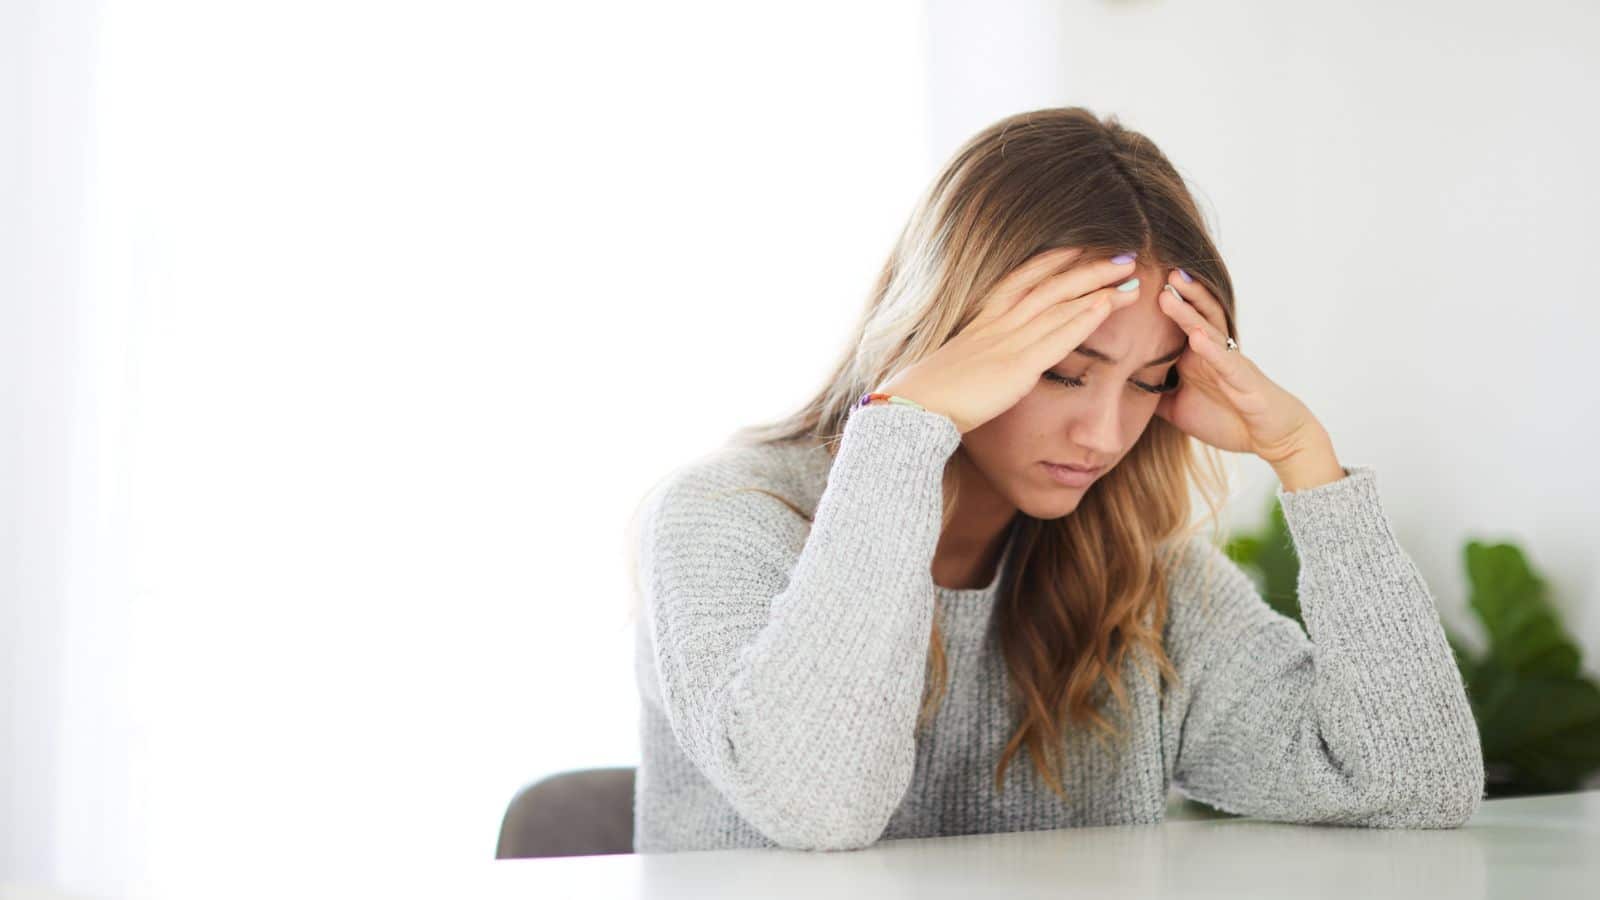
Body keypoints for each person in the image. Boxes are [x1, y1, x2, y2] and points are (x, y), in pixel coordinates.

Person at [624, 106, 1484, 853]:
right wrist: (902, 432)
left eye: (1150, 382)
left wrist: (1304, 457)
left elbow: (1414, 784)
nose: (1105, 433)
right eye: (1065, 371)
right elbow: (816, 805)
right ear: (949, 331)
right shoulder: (724, 517)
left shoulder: (1144, 577)